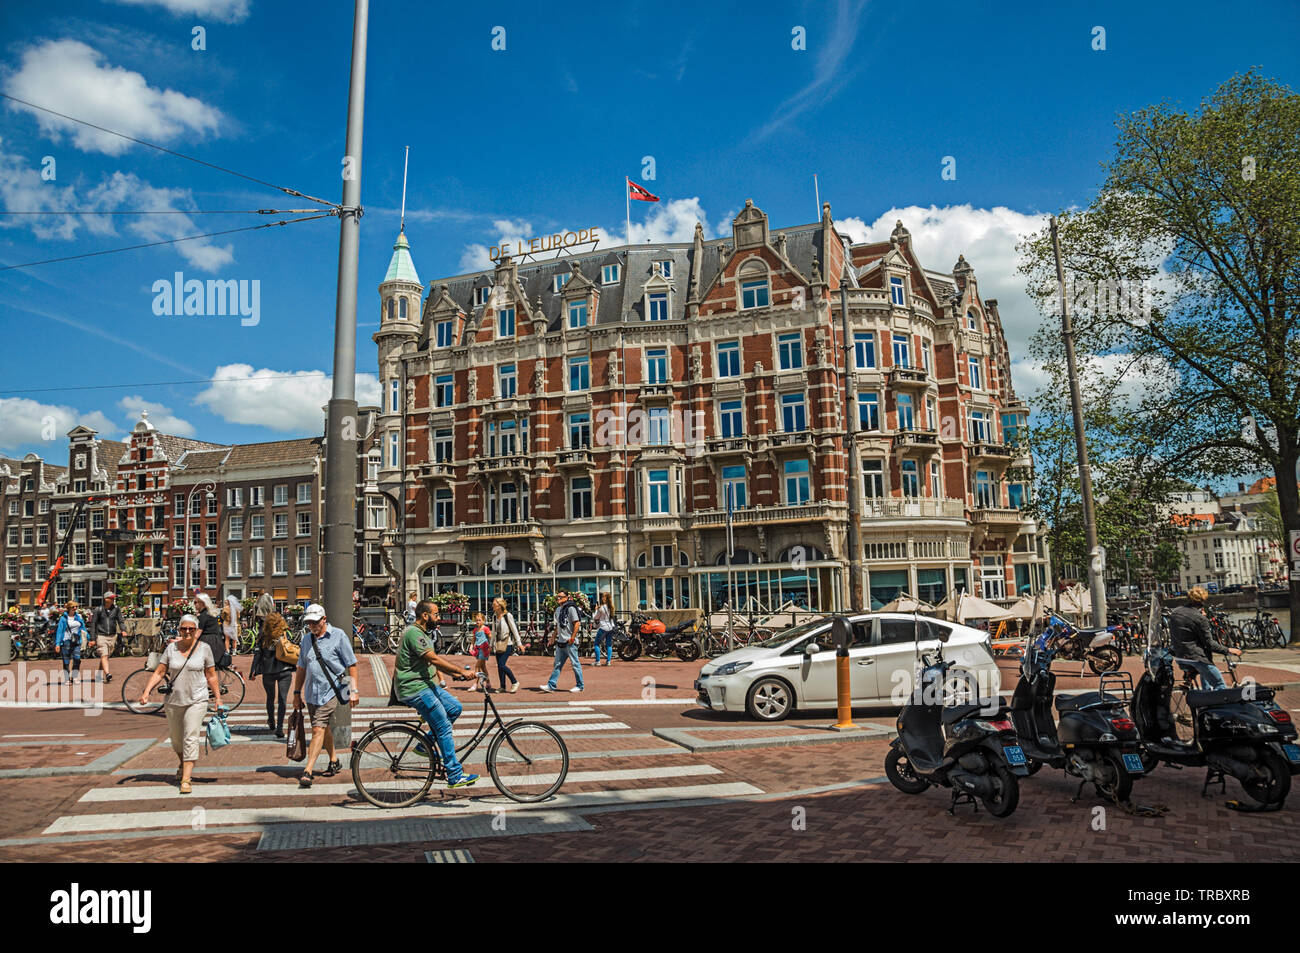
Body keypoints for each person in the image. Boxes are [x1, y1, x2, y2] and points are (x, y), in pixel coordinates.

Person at [393, 599, 478, 788]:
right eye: (436, 614)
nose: (438, 617)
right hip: (414, 688)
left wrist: (456, 675)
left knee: (455, 708)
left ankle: (425, 744)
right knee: (443, 727)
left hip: (425, 685)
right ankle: (455, 774)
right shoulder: (414, 633)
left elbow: (431, 663)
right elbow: (433, 659)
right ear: (425, 616)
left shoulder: (422, 632)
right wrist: (461, 671)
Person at [136, 614, 219, 794]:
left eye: (191, 629)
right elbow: (159, 671)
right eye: (184, 628)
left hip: (197, 699)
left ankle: (186, 779)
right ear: (179, 630)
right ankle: (182, 762)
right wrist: (146, 691)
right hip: (174, 700)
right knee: (176, 741)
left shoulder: (205, 649)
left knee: (190, 736)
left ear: (197, 631)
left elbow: (211, 675)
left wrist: (218, 698)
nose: (187, 632)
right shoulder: (171, 649)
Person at [291, 603, 358, 788]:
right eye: (309, 623)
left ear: (324, 619)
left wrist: (353, 691)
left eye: (315, 622)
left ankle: (308, 770)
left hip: (332, 690)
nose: (312, 626)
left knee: (317, 729)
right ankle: (334, 760)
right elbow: (301, 668)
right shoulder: (306, 640)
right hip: (312, 692)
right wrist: (297, 693)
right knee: (323, 726)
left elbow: (352, 664)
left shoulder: (338, 636)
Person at [1168, 586, 1241, 690]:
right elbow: (1210, 644)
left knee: (1205, 673)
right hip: (1195, 658)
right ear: (1202, 601)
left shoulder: (1175, 612)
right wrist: (1229, 650)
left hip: (1179, 657)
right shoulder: (1200, 618)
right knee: (1219, 685)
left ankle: (1203, 699)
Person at [249, 610, 295, 737]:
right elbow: (290, 649)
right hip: (284, 670)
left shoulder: (263, 635)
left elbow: (258, 653)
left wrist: (253, 670)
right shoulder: (285, 634)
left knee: (270, 697)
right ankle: (279, 727)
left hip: (268, 671)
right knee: (282, 699)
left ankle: (271, 721)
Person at [540, 590, 584, 694]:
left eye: (560, 597)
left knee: (575, 664)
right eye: (557, 597)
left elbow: (577, 623)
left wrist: (573, 637)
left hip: (569, 642)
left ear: (566, 597)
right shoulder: (558, 610)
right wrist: (553, 638)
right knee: (557, 664)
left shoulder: (571, 608)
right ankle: (551, 685)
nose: (558, 599)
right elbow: (558, 626)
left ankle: (580, 685)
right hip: (561, 641)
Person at [90, 591, 124, 683]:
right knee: (104, 655)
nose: (113, 600)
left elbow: (120, 621)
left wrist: (123, 630)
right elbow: (93, 624)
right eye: (111, 598)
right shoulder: (98, 610)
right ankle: (108, 674)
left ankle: (98, 675)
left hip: (113, 636)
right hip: (101, 636)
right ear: (106, 599)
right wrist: (92, 639)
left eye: (114, 598)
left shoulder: (116, 609)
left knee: (104, 656)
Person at [491, 597, 522, 693]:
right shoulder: (494, 616)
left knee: (501, 665)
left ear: (500, 605)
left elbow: (514, 630)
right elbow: (493, 632)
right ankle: (502, 686)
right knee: (500, 666)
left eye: (494, 604)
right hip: (498, 644)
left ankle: (514, 682)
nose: (492, 606)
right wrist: (490, 644)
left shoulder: (508, 616)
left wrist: (519, 643)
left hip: (507, 644)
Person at [55, 600, 88, 684]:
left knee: (77, 659)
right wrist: (57, 644)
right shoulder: (63, 618)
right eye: (73, 607)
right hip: (66, 641)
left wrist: (89, 638)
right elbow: (59, 631)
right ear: (69, 608)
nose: (75, 608)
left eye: (76, 607)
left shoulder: (78, 617)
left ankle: (75, 676)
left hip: (76, 641)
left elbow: (83, 628)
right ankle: (67, 678)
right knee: (66, 661)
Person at [194, 593, 227, 670]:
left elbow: (197, 633)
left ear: (202, 603)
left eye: (195, 602)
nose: (194, 605)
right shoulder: (211, 613)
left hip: (207, 643)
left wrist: (185, 640)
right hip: (216, 642)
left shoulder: (203, 616)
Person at [467, 611, 492, 692]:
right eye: (477, 620)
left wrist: (491, 646)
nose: (478, 622)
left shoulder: (485, 629)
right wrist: (471, 646)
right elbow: (474, 639)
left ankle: (475, 684)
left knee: (477, 666)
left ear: (483, 621)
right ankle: (488, 682)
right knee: (483, 667)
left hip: (484, 650)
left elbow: (491, 637)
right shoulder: (475, 630)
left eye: (479, 620)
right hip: (478, 649)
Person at [592, 591, 615, 666]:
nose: (602, 598)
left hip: (603, 627)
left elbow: (595, 617)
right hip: (610, 627)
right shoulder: (611, 607)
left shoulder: (601, 608)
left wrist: (596, 610)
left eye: (603, 597)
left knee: (596, 644)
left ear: (605, 598)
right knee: (609, 645)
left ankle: (597, 661)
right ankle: (608, 661)